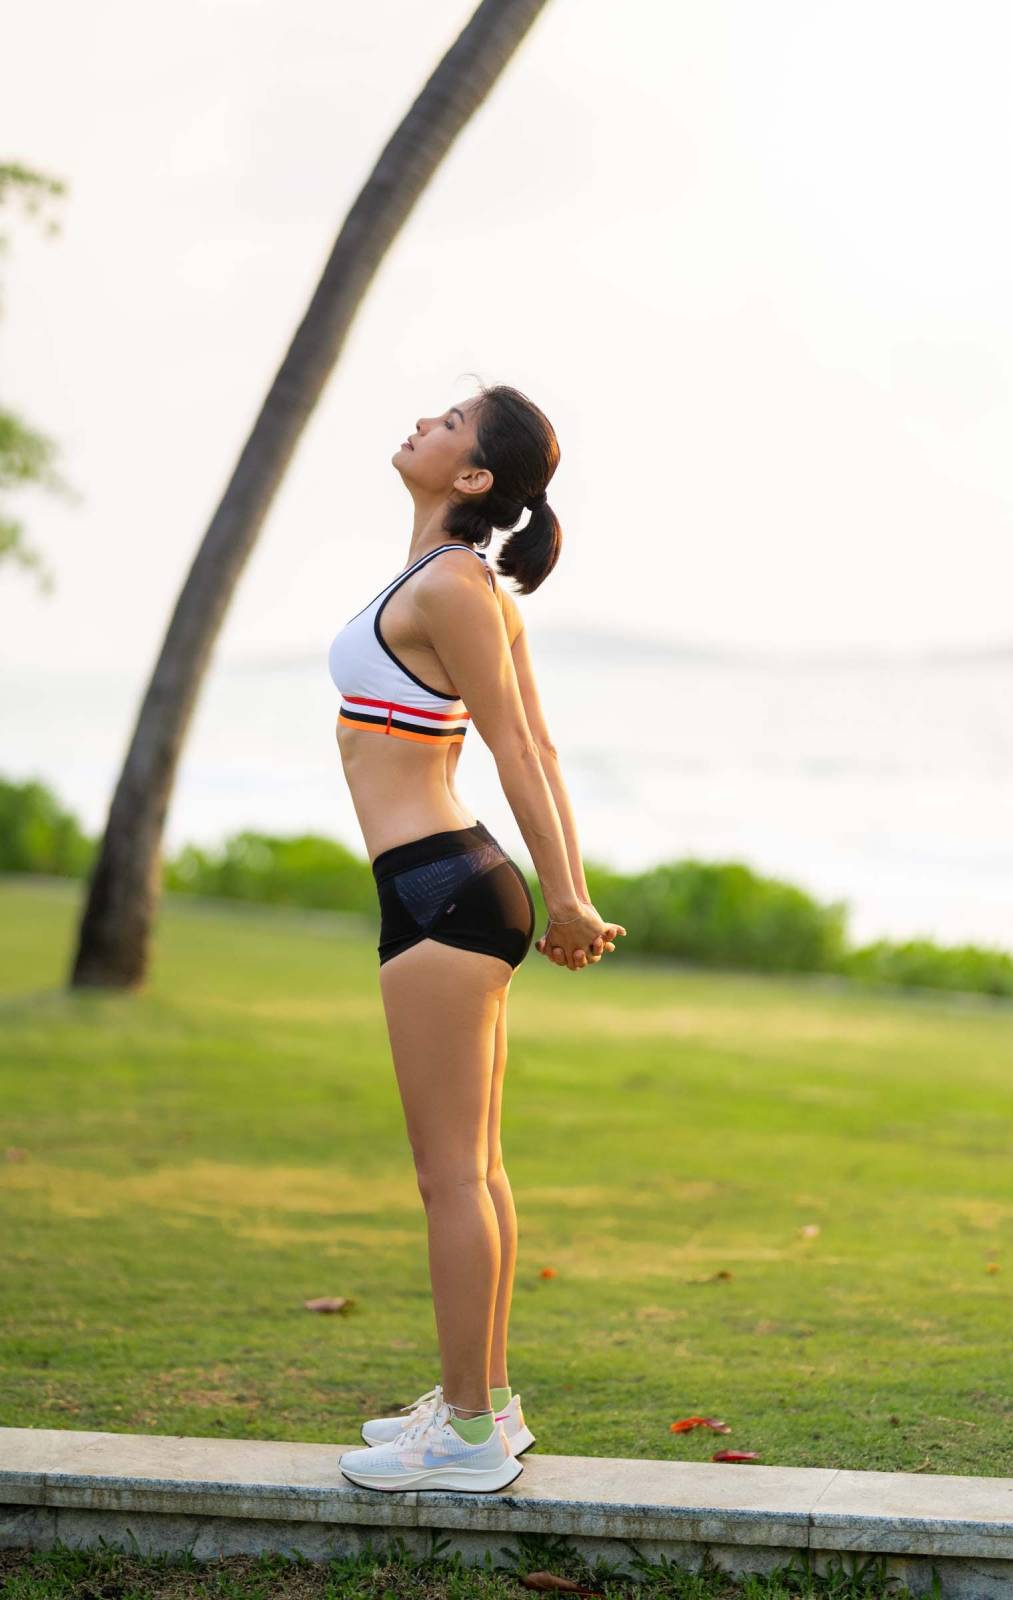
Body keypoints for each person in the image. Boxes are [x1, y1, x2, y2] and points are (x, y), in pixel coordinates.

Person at [330, 381, 626, 1493]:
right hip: (451, 886)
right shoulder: (454, 582)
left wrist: (570, 897)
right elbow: (537, 747)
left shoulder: (455, 585)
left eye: (449, 422)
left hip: (443, 891)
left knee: (449, 1177)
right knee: (477, 1171)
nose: (424, 420)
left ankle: (462, 1436)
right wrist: (563, 892)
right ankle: (487, 1403)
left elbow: (519, 750)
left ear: (473, 477)